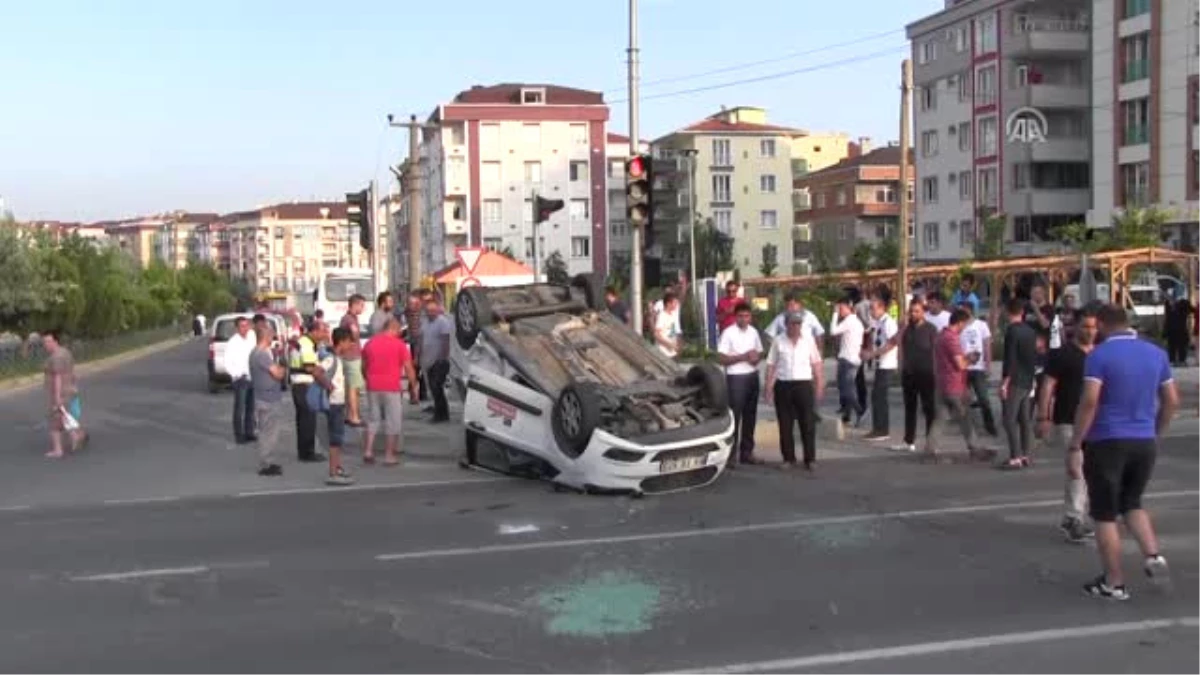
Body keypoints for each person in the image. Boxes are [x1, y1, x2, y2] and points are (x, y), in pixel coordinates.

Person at [1070, 304, 1177, 600]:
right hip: (1143, 440)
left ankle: (1113, 582)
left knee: (1104, 513)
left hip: (1107, 440)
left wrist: (1076, 442)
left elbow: (1090, 401)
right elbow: (1171, 400)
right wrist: (1156, 432)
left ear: (1102, 325)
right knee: (1132, 502)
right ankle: (1153, 555)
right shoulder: (1156, 354)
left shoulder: (1099, 356)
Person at [1038, 306, 1097, 544]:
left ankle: (1076, 515)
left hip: (1097, 422)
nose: (1090, 331)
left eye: (1093, 327)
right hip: (1068, 420)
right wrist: (1043, 416)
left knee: (1090, 472)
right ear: (1075, 327)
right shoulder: (1062, 354)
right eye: (1085, 326)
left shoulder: (1100, 355)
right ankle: (1074, 518)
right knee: (1077, 470)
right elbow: (1048, 386)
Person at [764, 312, 824, 471]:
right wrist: (768, 387)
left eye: (799, 323)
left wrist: (819, 385)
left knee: (807, 423)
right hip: (783, 385)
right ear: (786, 324)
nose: (796, 326)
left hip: (803, 384)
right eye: (793, 323)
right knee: (785, 424)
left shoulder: (808, 341)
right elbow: (771, 365)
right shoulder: (778, 341)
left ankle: (810, 459)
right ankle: (788, 458)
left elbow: (816, 363)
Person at [361, 318, 419, 465]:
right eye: (399, 330)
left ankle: (368, 450)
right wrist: (413, 387)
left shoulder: (370, 343)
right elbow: (409, 368)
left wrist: (368, 379)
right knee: (393, 421)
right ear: (395, 328)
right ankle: (389, 455)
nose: (400, 333)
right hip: (392, 387)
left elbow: (363, 366)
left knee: (373, 419)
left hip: (373, 385)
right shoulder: (400, 345)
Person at [931, 309, 984, 457]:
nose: (964, 328)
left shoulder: (941, 336)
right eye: (965, 324)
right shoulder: (951, 339)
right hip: (954, 384)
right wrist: (971, 359)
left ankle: (930, 447)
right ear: (960, 323)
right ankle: (974, 447)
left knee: (941, 418)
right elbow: (960, 364)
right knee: (965, 416)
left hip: (942, 382)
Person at [717, 301, 764, 467]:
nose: (744, 319)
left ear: (750, 317)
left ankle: (747, 452)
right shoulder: (728, 333)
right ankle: (730, 455)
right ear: (735, 317)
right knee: (734, 417)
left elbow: (759, 353)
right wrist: (742, 357)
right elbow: (721, 358)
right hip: (736, 378)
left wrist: (754, 358)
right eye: (740, 316)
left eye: (746, 316)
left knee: (750, 416)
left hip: (752, 376)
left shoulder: (753, 332)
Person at [896, 298, 939, 454]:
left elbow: (936, 352)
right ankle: (909, 441)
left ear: (923, 312)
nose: (913, 314)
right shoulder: (907, 330)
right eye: (911, 311)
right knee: (910, 408)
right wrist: (901, 367)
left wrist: (937, 372)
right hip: (909, 374)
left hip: (927, 374)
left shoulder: (931, 329)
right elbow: (900, 346)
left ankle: (930, 442)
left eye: (917, 311)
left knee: (929, 409)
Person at [1001, 297, 1038, 469]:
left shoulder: (1011, 331)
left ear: (1008, 312)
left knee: (1009, 419)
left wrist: (1005, 382)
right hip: (1028, 378)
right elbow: (1032, 357)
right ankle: (1026, 455)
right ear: (1022, 312)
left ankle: (1015, 456)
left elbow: (1010, 358)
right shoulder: (1030, 331)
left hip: (1015, 379)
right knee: (1025, 419)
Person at [318, 327, 356, 486]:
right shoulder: (331, 359)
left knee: (338, 439)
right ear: (342, 342)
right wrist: (329, 385)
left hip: (338, 403)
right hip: (334, 404)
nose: (351, 345)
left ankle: (337, 467)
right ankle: (333, 473)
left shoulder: (337, 359)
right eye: (349, 342)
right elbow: (317, 371)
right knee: (335, 439)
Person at [288, 320, 328, 464]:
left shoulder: (307, 342)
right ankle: (307, 452)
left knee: (304, 419)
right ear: (315, 331)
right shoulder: (306, 344)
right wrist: (325, 380)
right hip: (303, 384)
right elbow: (310, 367)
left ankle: (304, 451)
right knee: (308, 420)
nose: (325, 334)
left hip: (299, 384)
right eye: (323, 331)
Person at [250, 324, 288, 477]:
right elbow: (277, 374)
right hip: (268, 399)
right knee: (269, 433)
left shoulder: (258, 353)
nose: (273, 338)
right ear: (265, 336)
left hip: (263, 396)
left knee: (269, 431)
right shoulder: (261, 355)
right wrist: (283, 366)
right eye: (271, 335)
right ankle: (266, 463)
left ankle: (269, 461)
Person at [42, 329, 86, 458]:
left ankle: (58, 450)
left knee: (54, 422)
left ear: (55, 341)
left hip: (61, 392)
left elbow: (57, 377)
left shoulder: (57, 357)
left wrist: (57, 397)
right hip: (69, 390)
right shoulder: (65, 352)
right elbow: (72, 371)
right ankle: (76, 436)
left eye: (47, 341)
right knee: (65, 417)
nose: (45, 344)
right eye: (44, 342)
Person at [861, 296, 899, 442]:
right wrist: (869, 352)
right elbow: (874, 340)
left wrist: (873, 353)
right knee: (876, 396)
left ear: (882, 308)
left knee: (880, 396)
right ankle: (877, 428)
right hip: (879, 363)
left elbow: (892, 343)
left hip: (887, 364)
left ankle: (882, 429)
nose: (871, 311)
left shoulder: (888, 323)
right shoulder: (877, 323)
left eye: (873, 308)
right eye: (870, 308)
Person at [959, 302, 998, 436]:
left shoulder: (981, 325)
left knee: (983, 398)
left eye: (963, 310)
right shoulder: (959, 326)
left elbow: (987, 344)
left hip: (978, 367)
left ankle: (990, 426)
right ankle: (968, 428)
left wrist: (988, 364)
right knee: (964, 399)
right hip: (963, 367)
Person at [830, 298, 865, 426]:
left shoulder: (850, 321)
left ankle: (859, 410)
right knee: (845, 388)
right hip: (849, 357)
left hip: (848, 359)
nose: (840, 311)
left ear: (847, 308)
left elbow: (833, 331)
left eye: (841, 308)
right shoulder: (854, 321)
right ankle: (847, 415)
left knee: (847, 389)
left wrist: (834, 315)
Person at [224, 316, 256, 444]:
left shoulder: (251, 339)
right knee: (239, 408)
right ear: (237, 328)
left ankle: (250, 432)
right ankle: (239, 434)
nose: (245, 328)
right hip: (241, 378)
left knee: (251, 408)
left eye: (246, 325)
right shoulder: (233, 342)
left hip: (252, 377)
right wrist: (236, 375)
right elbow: (227, 362)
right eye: (242, 326)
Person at [420, 297, 453, 423]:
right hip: (428, 360)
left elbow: (446, 341)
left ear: (437, 310)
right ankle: (440, 412)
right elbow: (422, 339)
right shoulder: (425, 322)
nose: (431, 312)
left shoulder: (442, 322)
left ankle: (441, 415)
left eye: (433, 310)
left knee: (437, 387)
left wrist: (443, 358)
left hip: (439, 361)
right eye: (428, 310)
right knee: (433, 388)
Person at [339, 294, 367, 426]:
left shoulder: (348, 318)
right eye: (361, 305)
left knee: (350, 387)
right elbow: (354, 335)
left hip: (349, 356)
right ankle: (354, 416)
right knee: (353, 388)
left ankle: (349, 414)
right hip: (352, 357)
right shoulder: (349, 319)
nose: (363, 308)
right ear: (354, 305)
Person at [653, 293, 683, 358]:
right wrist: (668, 344)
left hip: (672, 352)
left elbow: (672, 331)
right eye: (674, 303)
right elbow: (656, 334)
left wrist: (676, 344)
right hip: (663, 353)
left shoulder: (672, 315)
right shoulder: (662, 316)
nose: (676, 305)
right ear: (668, 304)